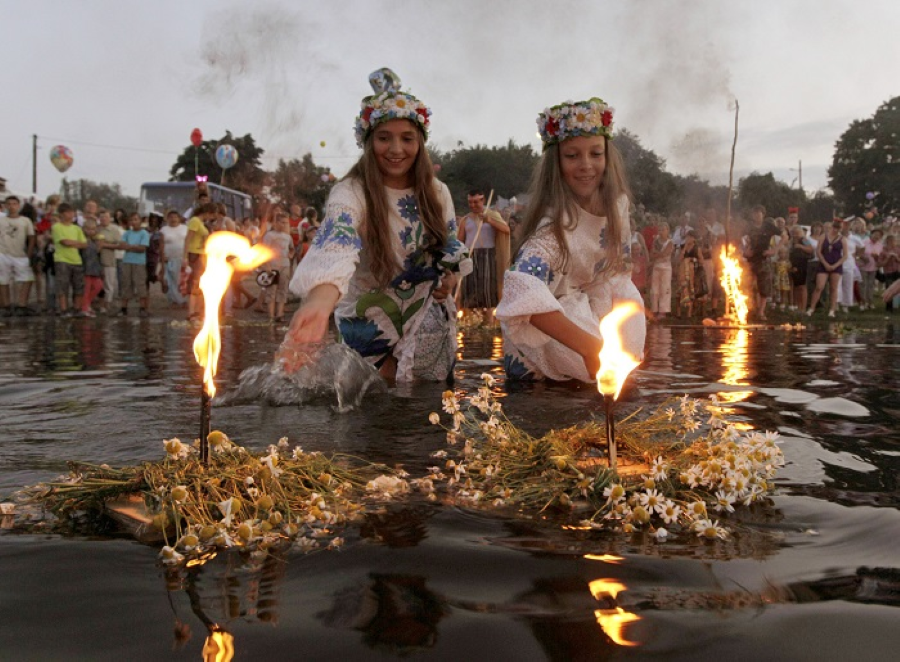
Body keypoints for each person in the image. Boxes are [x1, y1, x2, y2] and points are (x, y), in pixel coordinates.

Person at [283, 69, 469, 382]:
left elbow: (447, 249)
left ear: (420, 142)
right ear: (369, 142)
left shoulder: (438, 192)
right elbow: (336, 245)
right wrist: (319, 302)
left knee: (426, 414)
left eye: (407, 138)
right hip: (368, 323)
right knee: (371, 415)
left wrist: (448, 280)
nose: (396, 149)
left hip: (426, 322)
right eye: (384, 138)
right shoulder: (351, 192)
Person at [495, 96, 646, 382]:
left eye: (595, 154)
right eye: (572, 155)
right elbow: (520, 292)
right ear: (557, 162)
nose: (585, 165)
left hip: (591, 309)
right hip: (546, 334)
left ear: (607, 156)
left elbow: (617, 272)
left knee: (624, 298)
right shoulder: (553, 226)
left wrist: (617, 341)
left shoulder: (617, 206)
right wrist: (592, 348)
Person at [457, 188, 510, 326]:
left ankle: (490, 322)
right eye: (470, 202)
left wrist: (489, 221)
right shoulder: (465, 219)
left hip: (487, 255)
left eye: (476, 202)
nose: (473, 205)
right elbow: (460, 241)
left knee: (487, 288)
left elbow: (506, 230)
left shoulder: (492, 215)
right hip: (470, 255)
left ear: (483, 200)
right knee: (470, 287)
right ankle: (469, 322)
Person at [0, 195, 36, 316]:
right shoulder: (1, 220)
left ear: (18, 205)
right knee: (3, 280)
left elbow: (31, 237)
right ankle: (5, 305)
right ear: (5, 206)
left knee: (27, 279)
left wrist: (29, 254)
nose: (11, 207)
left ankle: (22, 304)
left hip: (20, 254)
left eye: (14, 204)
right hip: (3, 253)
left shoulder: (25, 221)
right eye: (9, 204)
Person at [51, 202, 87, 315]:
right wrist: (76, 243)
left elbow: (85, 244)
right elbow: (64, 242)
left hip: (76, 260)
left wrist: (73, 243)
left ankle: (77, 309)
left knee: (79, 286)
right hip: (62, 260)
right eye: (68, 212)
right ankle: (64, 309)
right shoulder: (56, 227)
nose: (71, 214)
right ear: (61, 214)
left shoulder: (77, 228)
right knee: (63, 286)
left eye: (72, 212)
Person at [807, 220, 848, 318]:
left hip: (836, 264)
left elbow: (845, 255)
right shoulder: (823, 236)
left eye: (838, 228)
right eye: (835, 227)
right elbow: (818, 251)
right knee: (819, 286)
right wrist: (824, 263)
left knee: (833, 288)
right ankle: (812, 308)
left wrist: (835, 265)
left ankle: (832, 310)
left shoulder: (842, 239)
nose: (836, 230)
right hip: (824, 264)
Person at [183, 202, 217, 321]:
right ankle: (191, 313)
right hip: (194, 254)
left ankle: (197, 311)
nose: (212, 218)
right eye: (212, 215)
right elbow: (188, 239)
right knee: (195, 283)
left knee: (201, 284)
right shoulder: (195, 221)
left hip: (202, 255)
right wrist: (185, 257)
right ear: (208, 213)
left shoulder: (202, 223)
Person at [260, 212, 294, 323]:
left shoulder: (287, 237)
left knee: (283, 289)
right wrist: (267, 265)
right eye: (282, 222)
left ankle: (280, 313)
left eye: (286, 223)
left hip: (285, 265)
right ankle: (271, 315)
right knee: (271, 290)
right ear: (276, 222)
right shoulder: (269, 235)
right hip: (273, 266)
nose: (284, 225)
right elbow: (264, 251)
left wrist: (290, 255)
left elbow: (292, 248)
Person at [119, 212, 151, 316]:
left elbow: (142, 248)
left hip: (139, 262)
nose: (134, 222)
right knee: (126, 284)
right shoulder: (127, 233)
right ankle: (123, 308)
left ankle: (142, 308)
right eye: (132, 220)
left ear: (140, 221)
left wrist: (130, 246)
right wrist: (134, 246)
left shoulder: (144, 233)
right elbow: (123, 245)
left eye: (136, 219)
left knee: (140, 284)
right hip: (127, 261)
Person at [159, 210, 188, 307]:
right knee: (171, 280)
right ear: (167, 219)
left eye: (175, 217)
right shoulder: (164, 230)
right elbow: (161, 245)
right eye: (171, 217)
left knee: (182, 280)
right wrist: (162, 258)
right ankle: (174, 300)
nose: (173, 219)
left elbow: (188, 242)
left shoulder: (185, 228)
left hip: (182, 257)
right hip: (169, 258)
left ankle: (183, 300)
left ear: (179, 218)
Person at [649, 221, 674, 320]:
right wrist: (658, 254)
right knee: (654, 289)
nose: (661, 231)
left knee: (665, 288)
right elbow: (652, 254)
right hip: (656, 267)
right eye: (660, 229)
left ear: (667, 231)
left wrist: (657, 253)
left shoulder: (670, 242)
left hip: (666, 268)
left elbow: (665, 253)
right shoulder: (656, 241)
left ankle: (663, 311)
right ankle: (654, 309)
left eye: (663, 229)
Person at [79, 218, 104, 317]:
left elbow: (97, 252)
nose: (90, 231)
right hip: (85, 268)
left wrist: (100, 245)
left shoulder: (96, 240)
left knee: (99, 286)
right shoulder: (82, 240)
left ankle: (86, 304)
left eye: (93, 229)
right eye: (88, 229)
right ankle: (85, 308)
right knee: (86, 289)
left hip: (95, 268)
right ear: (84, 229)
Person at [788, 225, 814, 313]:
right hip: (793, 265)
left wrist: (800, 246)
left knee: (802, 287)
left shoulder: (804, 240)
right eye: (793, 233)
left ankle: (803, 308)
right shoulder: (791, 242)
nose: (795, 235)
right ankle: (798, 307)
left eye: (797, 233)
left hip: (802, 265)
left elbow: (811, 249)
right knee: (795, 287)